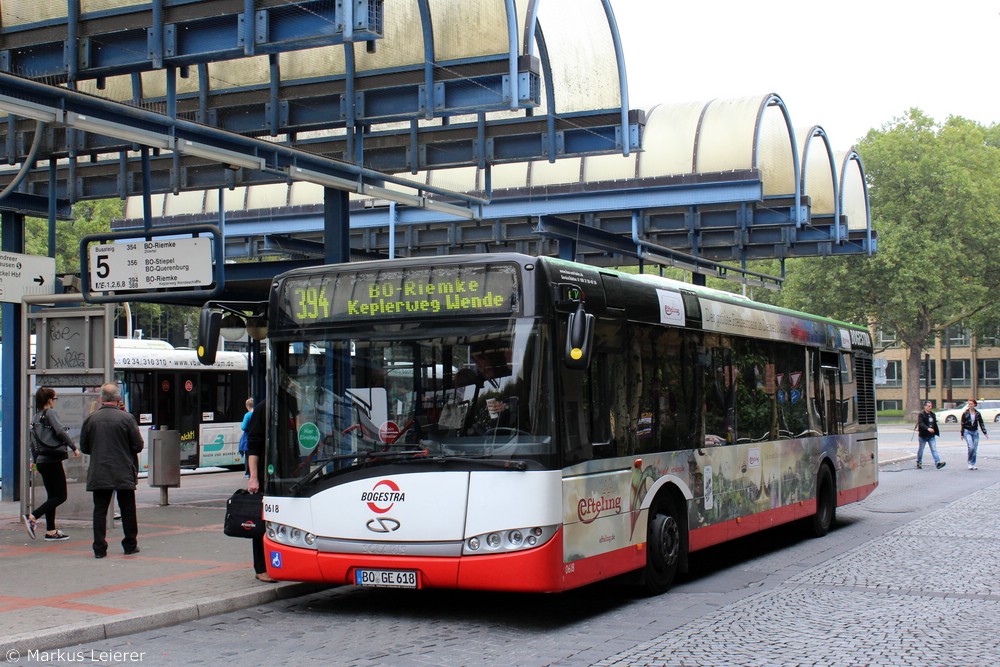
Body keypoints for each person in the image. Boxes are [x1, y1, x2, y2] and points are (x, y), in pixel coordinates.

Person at [80, 382, 145, 558]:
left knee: (99, 511)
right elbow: (138, 445)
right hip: (123, 471)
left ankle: (99, 549)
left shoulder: (91, 419)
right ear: (118, 399)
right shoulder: (127, 418)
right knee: (128, 510)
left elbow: (84, 447)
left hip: (100, 471)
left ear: (101, 398)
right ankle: (130, 545)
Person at [22, 387, 81, 541]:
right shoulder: (50, 413)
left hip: (41, 461)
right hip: (53, 460)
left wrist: (35, 463)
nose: (55, 401)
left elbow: (32, 443)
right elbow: (60, 432)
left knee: (52, 496)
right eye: (55, 399)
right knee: (61, 496)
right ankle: (32, 516)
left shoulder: (35, 417)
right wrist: (73, 447)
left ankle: (50, 531)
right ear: (49, 400)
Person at [245, 398, 275, 582]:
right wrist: (253, 477)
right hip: (266, 476)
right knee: (261, 522)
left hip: (284, 473)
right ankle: (261, 567)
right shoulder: (264, 408)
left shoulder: (290, 404)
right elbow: (253, 445)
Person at [915, 401, 945, 470]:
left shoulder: (932, 414)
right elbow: (921, 423)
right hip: (923, 435)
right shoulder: (921, 414)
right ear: (925, 407)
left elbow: (934, 423)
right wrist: (927, 428)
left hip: (931, 435)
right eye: (928, 406)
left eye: (931, 406)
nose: (930, 408)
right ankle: (919, 462)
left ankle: (938, 463)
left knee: (934, 449)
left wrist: (935, 431)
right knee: (921, 449)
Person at [959, 398, 987, 470]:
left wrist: (984, 432)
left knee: (974, 448)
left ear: (975, 405)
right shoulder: (965, 413)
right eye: (969, 404)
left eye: (971, 404)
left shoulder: (977, 413)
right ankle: (969, 462)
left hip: (975, 432)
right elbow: (962, 423)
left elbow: (981, 423)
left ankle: (973, 463)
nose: (970, 405)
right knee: (970, 447)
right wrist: (962, 433)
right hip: (967, 431)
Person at [239, 398, 254, 479]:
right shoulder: (257, 413)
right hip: (257, 436)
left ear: (248, 406)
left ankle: (248, 473)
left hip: (248, 437)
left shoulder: (247, 415)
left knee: (248, 456)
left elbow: (243, 427)